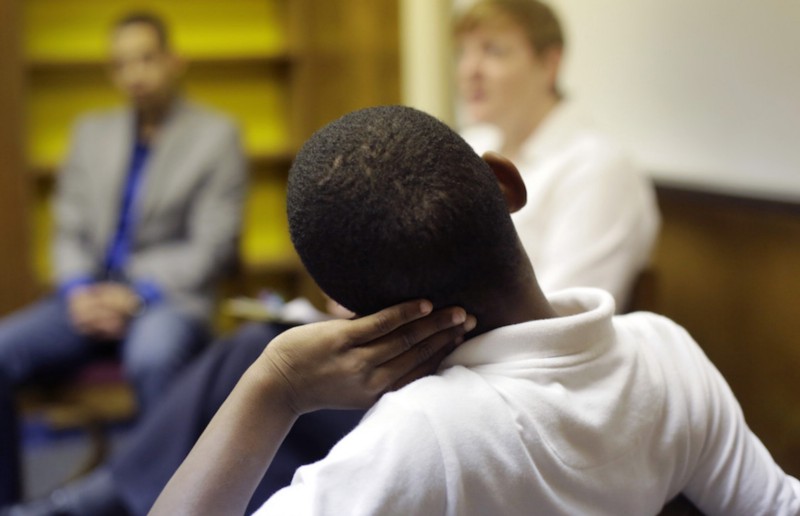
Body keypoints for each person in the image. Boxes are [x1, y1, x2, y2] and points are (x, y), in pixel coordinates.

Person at [150, 105, 799, 515]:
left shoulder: (425, 438)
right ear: (508, 184)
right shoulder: (666, 353)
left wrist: (275, 387)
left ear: (352, 312)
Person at [0, 11, 246, 504]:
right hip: (84, 301)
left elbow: (212, 246)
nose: (134, 74)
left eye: (146, 59)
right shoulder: (90, 132)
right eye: (121, 64)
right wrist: (76, 290)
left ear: (174, 61)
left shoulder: (217, 134)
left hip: (167, 300)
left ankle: (166, 503)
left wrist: (135, 293)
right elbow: (66, 229)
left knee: (154, 357)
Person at [456, 0, 660, 309]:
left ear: (549, 64)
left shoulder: (597, 167)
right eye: (463, 52)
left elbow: (563, 319)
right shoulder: (470, 144)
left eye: (493, 51)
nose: (469, 70)